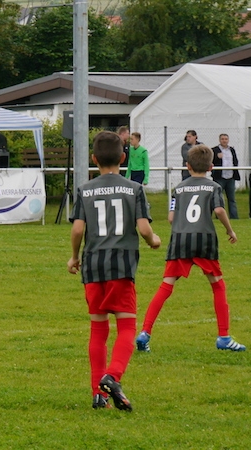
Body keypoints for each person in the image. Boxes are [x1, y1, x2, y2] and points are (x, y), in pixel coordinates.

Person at [67, 130, 161, 412]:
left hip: (93, 263)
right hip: (121, 264)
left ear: (94, 159)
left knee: (98, 330)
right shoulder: (134, 189)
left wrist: (74, 257)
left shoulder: (85, 189)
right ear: (123, 158)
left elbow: (78, 229)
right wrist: (153, 240)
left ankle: (98, 395)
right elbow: (143, 228)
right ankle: (112, 376)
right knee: (127, 327)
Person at [136, 144, 245, 354]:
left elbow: (171, 218)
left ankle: (145, 332)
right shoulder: (214, 187)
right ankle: (224, 337)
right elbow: (219, 210)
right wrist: (230, 230)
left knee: (166, 286)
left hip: (180, 239)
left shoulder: (178, 189)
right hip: (204, 239)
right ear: (211, 167)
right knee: (218, 285)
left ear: (188, 166)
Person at [212, 133, 240, 219]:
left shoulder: (231, 149)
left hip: (230, 177)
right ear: (219, 140)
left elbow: (235, 161)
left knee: (232, 198)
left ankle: (234, 217)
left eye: (226, 139)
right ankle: (220, 216)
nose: (224, 141)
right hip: (219, 177)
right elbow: (210, 161)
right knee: (219, 198)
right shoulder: (214, 150)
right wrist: (217, 157)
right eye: (222, 139)